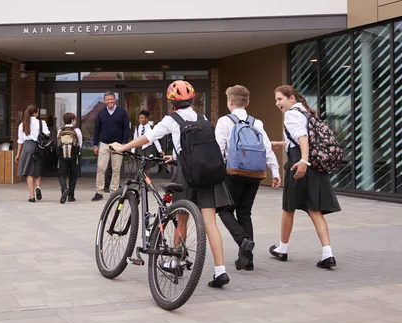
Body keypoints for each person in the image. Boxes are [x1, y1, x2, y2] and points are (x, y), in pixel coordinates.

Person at [111, 80, 233, 288]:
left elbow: (148, 137)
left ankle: (174, 261)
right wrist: (176, 156)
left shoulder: (172, 119)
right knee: (210, 223)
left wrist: (123, 148)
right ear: (193, 100)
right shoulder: (202, 118)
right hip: (208, 174)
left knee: (181, 220)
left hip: (186, 175)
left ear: (171, 103)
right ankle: (220, 271)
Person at [269, 85, 340, 268]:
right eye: (276, 100)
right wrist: (281, 143)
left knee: (288, 207)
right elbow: (302, 138)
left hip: (300, 163)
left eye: (280, 99)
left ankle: (282, 249)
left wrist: (303, 161)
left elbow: (302, 138)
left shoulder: (291, 114)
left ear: (291, 98)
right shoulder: (306, 112)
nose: (277, 103)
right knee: (314, 209)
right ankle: (327, 253)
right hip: (314, 165)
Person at [215, 85, 281, 271]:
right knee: (244, 212)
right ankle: (247, 260)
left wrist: (216, 173)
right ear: (247, 103)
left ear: (229, 102)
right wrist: (275, 172)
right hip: (255, 174)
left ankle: (243, 240)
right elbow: (267, 147)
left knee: (224, 210)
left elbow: (219, 149)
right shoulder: (256, 122)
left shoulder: (225, 121)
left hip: (234, 172)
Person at [92, 91, 130, 201]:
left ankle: (114, 192)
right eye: (108, 99)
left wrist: (124, 143)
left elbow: (126, 128)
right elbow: (97, 130)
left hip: (118, 145)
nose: (110, 101)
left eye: (111, 99)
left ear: (115, 99)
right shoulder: (101, 113)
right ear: (105, 101)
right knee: (100, 168)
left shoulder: (122, 112)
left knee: (116, 169)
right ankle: (99, 192)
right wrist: (95, 145)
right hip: (104, 144)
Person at [15, 105, 50, 202]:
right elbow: (47, 134)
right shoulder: (41, 122)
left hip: (27, 147)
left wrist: (18, 154)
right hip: (38, 147)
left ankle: (32, 196)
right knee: (37, 169)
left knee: (29, 172)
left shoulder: (23, 124)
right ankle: (38, 187)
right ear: (36, 112)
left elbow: (20, 141)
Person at [57, 112, 82, 204]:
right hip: (73, 155)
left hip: (62, 155)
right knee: (73, 175)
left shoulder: (60, 131)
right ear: (72, 120)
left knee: (61, 174)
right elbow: (80, 143)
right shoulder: (77, 130)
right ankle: (71, 195)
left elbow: (58, 142)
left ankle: (64, 189)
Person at [131, 110, 164, 176]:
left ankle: (146, 183)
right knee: (140, 167)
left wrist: (160, 150)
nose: (140, 119)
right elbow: (135, 140)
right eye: (139, 118)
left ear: (146, 119)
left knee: (147, 167)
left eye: (142, 118)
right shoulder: (137, 128)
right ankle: (141, 183)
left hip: (148, 149)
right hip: (140, 149)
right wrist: (133, 150)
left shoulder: (151, 128)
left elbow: (155, 140)